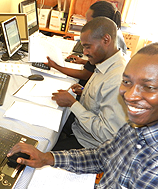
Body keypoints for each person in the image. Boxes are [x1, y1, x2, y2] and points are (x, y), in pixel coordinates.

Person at [8, 41, 158, 188]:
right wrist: (48, 158)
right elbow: (102, 156)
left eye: (149, 87)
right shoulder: (136, 126)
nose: (130, 96)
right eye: (127, 82)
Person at [52, 16, 127, 150]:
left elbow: (107, 134)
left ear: (106, 40)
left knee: (40, 150)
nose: (85, 53)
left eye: (88, 47)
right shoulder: (106, 62)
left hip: (89, 144)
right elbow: (101, 98)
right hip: (80, 128)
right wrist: (85, 92)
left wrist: (73, 104)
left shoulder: (117, 79)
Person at [46, 0, 127, 83]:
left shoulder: (104, 46)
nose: (85, 25)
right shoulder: (115, 33)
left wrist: (55, 66)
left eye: (88, 22)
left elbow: (84, 75)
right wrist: (83, 61)